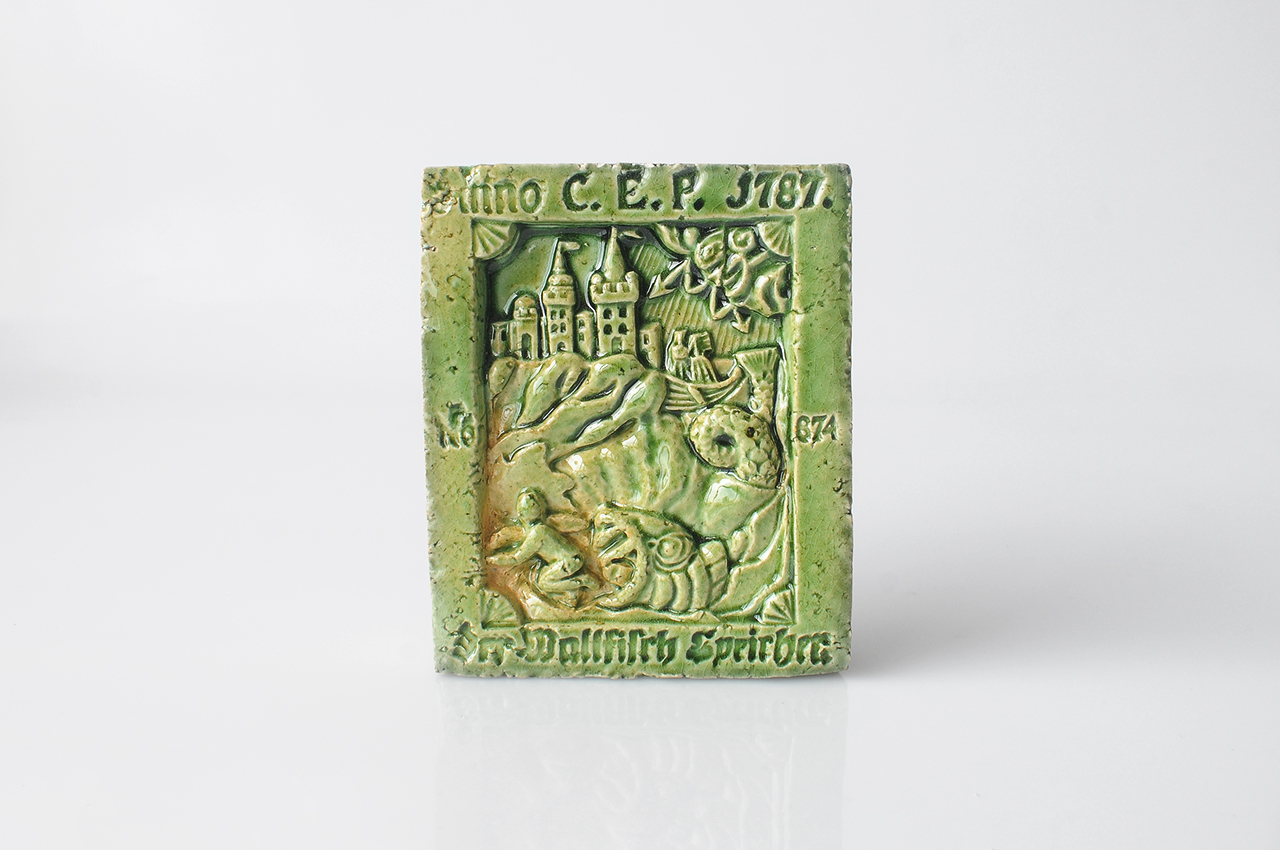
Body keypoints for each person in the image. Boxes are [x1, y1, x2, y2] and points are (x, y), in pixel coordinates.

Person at [487, 488, 590, 607]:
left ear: (521, 515)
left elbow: (516, 558)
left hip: (568, 561)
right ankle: (571, 594)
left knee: (544, 583)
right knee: (546, 574)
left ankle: (583, 581)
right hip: (572, 557)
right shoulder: (542, 528)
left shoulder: (536, 534)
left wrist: (493, 559)